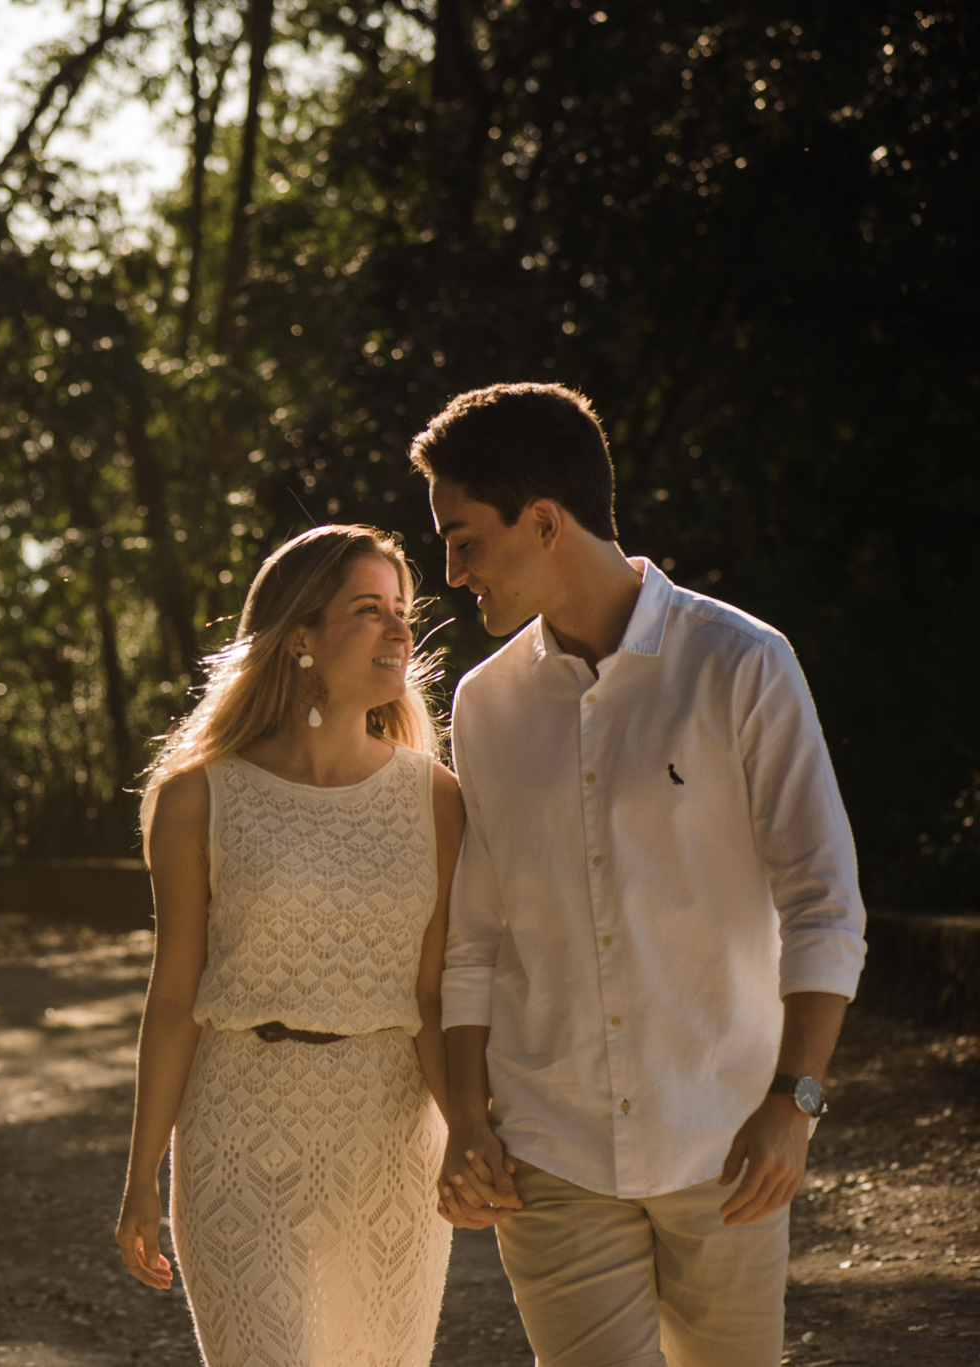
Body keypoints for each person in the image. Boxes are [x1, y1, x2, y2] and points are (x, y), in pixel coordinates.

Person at [411, 383, 867, 1366]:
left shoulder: (739, 664)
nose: (448, 574)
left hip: (725, 1143)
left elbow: (822, 900)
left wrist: (792, 1105)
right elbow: (475, 937)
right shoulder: (483, 704)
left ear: (542, 521)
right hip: (551, 1151)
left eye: (463, 539)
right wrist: (466, 1118)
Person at [113, 524, 461, 1367]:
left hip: (389, 1139)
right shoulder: (198, 795)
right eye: (369, 610)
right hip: (237, 1130)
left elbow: (433, 996)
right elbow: (174, 996)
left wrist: (473, 1137)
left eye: (402, 612)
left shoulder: (435, 797)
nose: (399, 631)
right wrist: (139, 1176)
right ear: (300, 636)